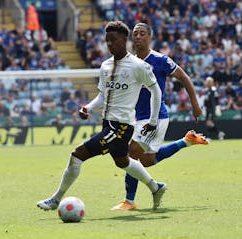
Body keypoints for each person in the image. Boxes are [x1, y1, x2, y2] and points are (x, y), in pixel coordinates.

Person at [37, 21, 167, 211]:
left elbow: (156, 92)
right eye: (107, 41)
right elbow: (102, 96)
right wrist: (88, 108)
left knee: (78, 154)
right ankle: (156, 188)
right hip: (108, 125)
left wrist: (154, 121)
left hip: (121, 127)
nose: (110, 44)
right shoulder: (105, 66)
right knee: (123, 161)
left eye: (113, 40)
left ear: (124, 40)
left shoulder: (139, 66)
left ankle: (56, 199)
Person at [110, 23, 208, 211]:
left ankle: (130, 201)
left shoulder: (160, 60)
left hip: (156, 117)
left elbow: (184, 77)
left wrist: (195, 104)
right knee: (147, 161)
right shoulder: (128, 62)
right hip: (138, 118)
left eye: (142, 33)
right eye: (135, 34)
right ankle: (186, 141)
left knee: (130, 154)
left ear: (149, 38)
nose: (138, 37)